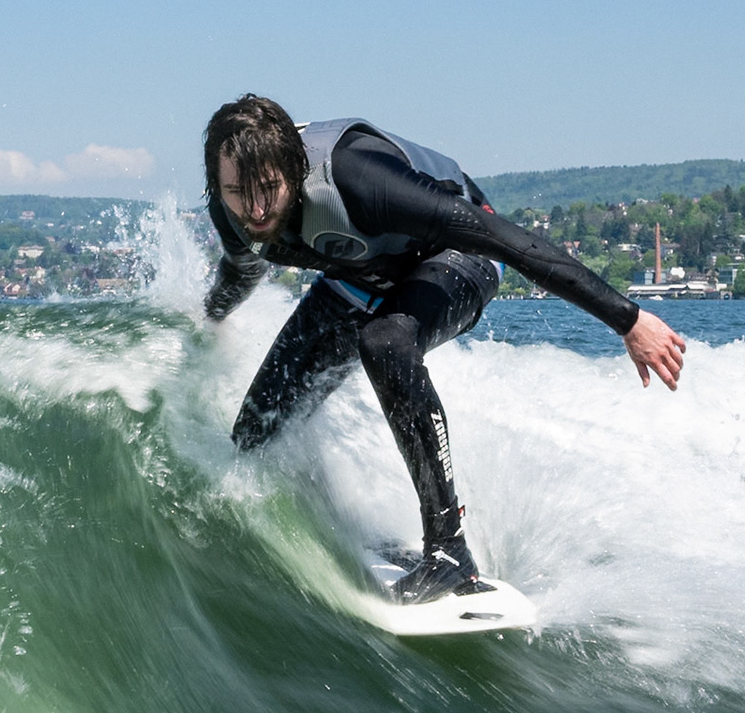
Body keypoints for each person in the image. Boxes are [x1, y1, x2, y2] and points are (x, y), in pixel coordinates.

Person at [201, 94, 687, 603]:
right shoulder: (231, 209)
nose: (254, 210)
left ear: (296, 169)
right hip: (363, 275)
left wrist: (627, 320)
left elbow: (501, 238)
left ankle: (450, 551)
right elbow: (242, 267)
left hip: (461, 255)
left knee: (384, 340)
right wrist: (210, 319)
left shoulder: (359, 180)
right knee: (254, 434)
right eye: (238, 193)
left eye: (269, 190)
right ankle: (336, 518)